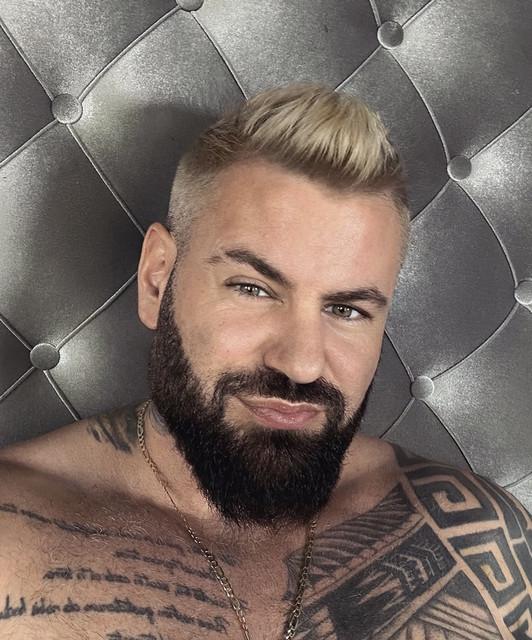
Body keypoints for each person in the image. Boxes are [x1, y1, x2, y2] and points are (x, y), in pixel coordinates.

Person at [0, 84, 529, 640]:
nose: (301, 364)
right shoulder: (15, 537)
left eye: (346, 309)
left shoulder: (483, 545)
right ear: (158, 280)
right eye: (253, 289)